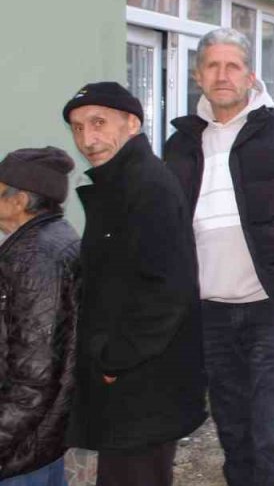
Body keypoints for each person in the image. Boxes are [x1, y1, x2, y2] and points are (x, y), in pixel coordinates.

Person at [161, 28, 274, 486]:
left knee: (273, 439)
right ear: (198, 75)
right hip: (212, 316)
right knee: (234, 436)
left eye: (232, 66)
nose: (222, 75)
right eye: (212, 66)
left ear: (250, 75)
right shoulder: (181, 143)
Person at [63, 83, 206, 486]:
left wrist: (115, 359)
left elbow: (166, 289)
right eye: (77, 128)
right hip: (131, 379)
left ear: (132, 123)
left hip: (141, 381)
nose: (87, 139)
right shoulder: (119, 182)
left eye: (97, 123)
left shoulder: (147, 186)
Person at [0, 148, 79, 484]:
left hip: (20, 447)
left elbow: (35, 374)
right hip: (41, 439)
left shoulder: (34, 258)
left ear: (19, 200)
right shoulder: (55, 237)